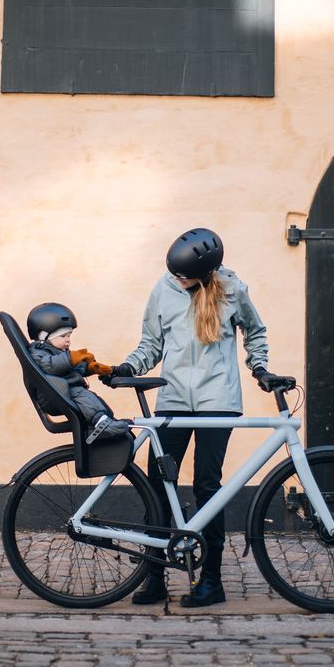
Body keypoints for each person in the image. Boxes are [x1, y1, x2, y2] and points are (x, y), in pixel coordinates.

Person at [103, 227, 280, 607]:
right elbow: (151, 344)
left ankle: (211, 581)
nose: (178, 280)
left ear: (206, 271)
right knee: (156, 486)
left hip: (219, 400)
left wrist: (260, 368)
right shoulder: (162, 289)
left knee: (207, 487)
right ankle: (154, 578)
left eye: (185, 276)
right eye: (175, 274)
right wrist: (127, 366)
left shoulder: (232, 289)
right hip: (173, 400)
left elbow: (256, 333)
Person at [27, 302, 129, 440]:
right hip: (54, 394)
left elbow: (71, 368)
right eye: (63, 336)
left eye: (69, 336)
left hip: (65, 390)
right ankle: (102, 424)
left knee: (93, 398)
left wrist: (90, 368)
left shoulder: (58, 351)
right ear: (44, 335)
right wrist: (71, 358)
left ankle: (107, 422)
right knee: (83, 395)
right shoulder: (38, 351)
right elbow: (48, 366)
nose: (68, 340)